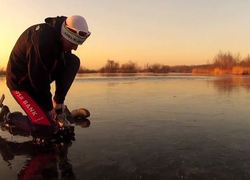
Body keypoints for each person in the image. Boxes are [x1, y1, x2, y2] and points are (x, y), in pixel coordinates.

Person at [5, 15, 91, 131]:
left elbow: (56, 70)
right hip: (20, 84)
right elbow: (38, 78)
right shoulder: (42, 40)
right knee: (44, 126)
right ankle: (8, 117)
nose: (75, 48)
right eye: (72, 44)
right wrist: (48, 108)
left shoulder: (61, 36)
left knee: (73, 61)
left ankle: (59, 107)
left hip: (38, 77)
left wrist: (56, 105)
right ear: (64, 36)